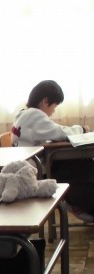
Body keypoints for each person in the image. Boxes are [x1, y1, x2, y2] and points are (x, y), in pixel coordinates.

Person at [11, 79, 94, 221]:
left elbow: (53, 130)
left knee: (81, 165)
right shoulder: (34, 115)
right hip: (36, 172)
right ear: (45, 101)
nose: (53, 111)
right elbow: (59, 132)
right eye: (55, 106)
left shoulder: (24, 114)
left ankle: (81, 205)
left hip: (30, 168)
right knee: (82, 165)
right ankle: (81, 205)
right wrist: (82, 129)